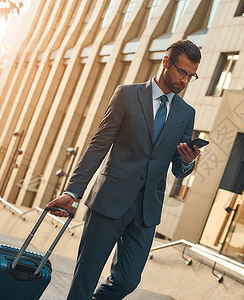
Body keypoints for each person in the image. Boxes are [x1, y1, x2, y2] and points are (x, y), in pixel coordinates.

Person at [46, 39, 202, 299]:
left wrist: (187, 161)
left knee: (128, 281)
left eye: (191, 75)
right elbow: (98, 146)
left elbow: (178, 167)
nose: (184, 80)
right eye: (181, 72)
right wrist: (72, 192)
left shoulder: (186, 113)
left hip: (146, 211)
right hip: (110, 200)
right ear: (166, 62)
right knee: (86, 276)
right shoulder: (127, 95)